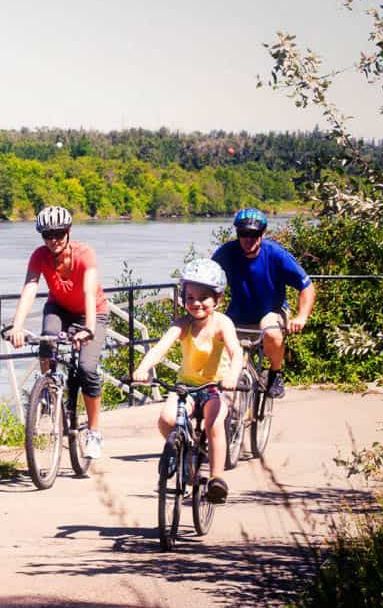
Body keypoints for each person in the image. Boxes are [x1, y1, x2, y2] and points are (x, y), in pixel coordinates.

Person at [132, 259, 243, 503]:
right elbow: (160, 348)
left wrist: (232, 376)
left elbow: (237, 353)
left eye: (203, 297)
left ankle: (216, 479)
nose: (196, 303)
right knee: (166, 420)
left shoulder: (222, 324)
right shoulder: (182, 324)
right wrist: (142, 368)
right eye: (190, 297)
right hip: (186, 386)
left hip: (215, 386)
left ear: (218, 299)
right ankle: (182, 453)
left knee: (214, 423)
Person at [9, 206, 109, 460]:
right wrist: (17, 325)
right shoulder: (39, 256)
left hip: (92, 312)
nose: (53, 240)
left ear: (68, 232)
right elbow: (30, 287)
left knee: (86, 368)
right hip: (59, 308)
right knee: (46, 341)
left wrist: (88, 328)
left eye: (58, 233)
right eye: (47, 234)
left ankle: (94, 432)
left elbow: (88, 291)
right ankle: (49, 393)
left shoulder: (85, 254)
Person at [211, 207, 315, 399]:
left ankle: (275, 374)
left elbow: (306, 286)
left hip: (272, 310)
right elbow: (208, 278)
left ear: (263, 233)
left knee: (271, 331)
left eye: (254, 234)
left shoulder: (276, 254)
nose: (248, 239)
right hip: (238, 315)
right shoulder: (227, 253)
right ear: (237, 233)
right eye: (243, 234)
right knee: (215, 343)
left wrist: (301, 316)